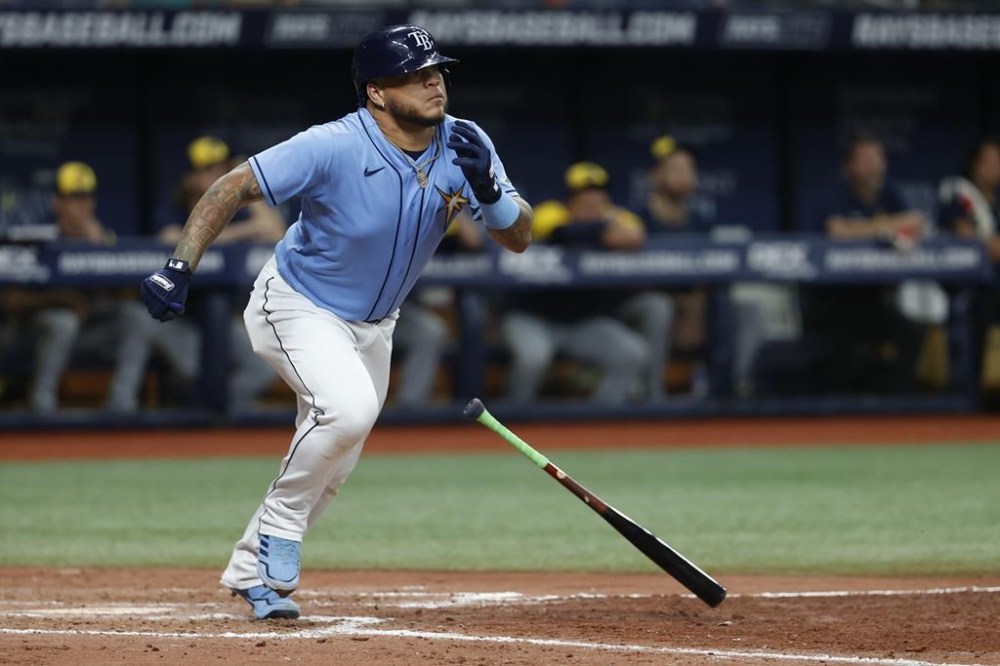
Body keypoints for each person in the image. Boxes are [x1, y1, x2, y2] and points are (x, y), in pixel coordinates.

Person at [138, 24, 532, 620]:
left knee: (336, 459)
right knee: (346, 411)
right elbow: (231, 186)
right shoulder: (332, 144)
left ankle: (251, 572)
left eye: (437, 71)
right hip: (298, 305)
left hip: (376, 323)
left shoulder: (465, 142)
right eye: (415, 74)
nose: (434, 82)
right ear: (377, 92)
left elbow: (519, 237)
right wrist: (178, 266)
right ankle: (280, 529)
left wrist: (492, 193)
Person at [500, 161, 671, 403]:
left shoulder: (616, 217)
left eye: (598, 200)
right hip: (533, 316)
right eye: (585, 201)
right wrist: (602, 229)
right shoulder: (550, 211)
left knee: (632, 353)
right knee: (534, 357)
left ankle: (599, 425)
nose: (593, 207)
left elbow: (634, 235)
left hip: (582, 321)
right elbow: (560, 232)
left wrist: (605, 225)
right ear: (571, 201)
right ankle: (512, 422)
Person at [0, 162, 152, 413]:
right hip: (34, 334)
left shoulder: (103, 239)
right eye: (73, 197)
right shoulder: (38, 240)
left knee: (137, 318)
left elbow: (130, 293)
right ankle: (42, 407)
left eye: (86, 197)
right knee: (63, 321)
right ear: (57, 203)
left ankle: (121, 406)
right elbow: (10, 300)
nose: (82, 205)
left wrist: (101, 250)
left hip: (88, 332)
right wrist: (60, 298)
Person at [151, 135, 287, 412]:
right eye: (207, 169)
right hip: (180, 319)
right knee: (193, 371)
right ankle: (193, 417)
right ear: (189, 177)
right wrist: (230, 236)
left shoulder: (236, 212)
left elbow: (275, 231)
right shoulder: (175, 209)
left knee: (266, 364)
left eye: (221, 168)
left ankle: (221, 414)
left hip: (226, 318)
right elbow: (171, 239)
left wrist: (240, 180)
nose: (216, 175)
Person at [801, 131, 928, 393]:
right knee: (847, 347)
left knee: (912, 332)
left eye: (878, 158)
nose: (873, 165)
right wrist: (887, 226)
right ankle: (840, 411)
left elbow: (916, 224)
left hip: (872, 300)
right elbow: (836, 231)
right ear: (849, 165)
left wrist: (873, 227)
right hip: (831, 301)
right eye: (865, 158)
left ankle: (896, 405)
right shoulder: (833, 193)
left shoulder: (889, 193)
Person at [391, 212, 484, 407]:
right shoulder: (404, 207)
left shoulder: (447, 206)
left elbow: (474, 242)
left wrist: (453, 210)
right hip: (375, 304)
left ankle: (410, 408)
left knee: (431, 331)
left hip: (407, 310)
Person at [938, 135, 1000, 403]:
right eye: (991, 161)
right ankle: (970, 395)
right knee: (979, 308)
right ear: (975, 164)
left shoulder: (996, 199)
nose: (996, 167)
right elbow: (968, 236)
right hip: (968, 287)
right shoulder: (959, 193)